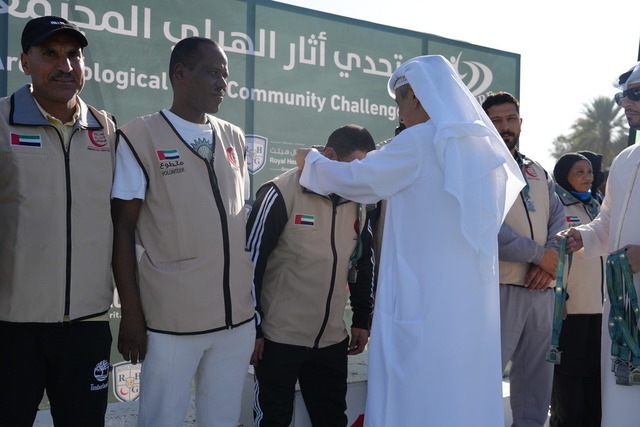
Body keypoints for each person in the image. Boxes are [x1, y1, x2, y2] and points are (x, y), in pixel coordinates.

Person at [296, 55, 524, 426]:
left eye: (400, 103)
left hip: (422, 302)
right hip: (466, 307)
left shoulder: (420, 139)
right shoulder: (477, 146)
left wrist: (311, 162)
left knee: (416, 393)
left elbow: (360, 180)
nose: (399, 114)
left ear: (416, 97)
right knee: (459, 395)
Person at [111, 37, 255, 427]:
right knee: (162, 419)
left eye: (225, 75)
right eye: (213, 73)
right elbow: (122, 231)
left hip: (235, 321)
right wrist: (131, 314)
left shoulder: (234, 137)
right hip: (172, 323)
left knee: (222, 419)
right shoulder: (139, 137)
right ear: (180, 73)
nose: (222, 84)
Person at [0, 16, 116, 426]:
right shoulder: (1, 121)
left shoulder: (106, 129)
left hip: (87, 326)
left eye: (74, 55)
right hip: (13, 327)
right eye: (50, 54)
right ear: (25, 62)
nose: (65, 66)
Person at [246, 124, 376, 426]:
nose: (359, 177)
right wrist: (254, 328)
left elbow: (363, 262)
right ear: (329, 156)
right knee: (273, 420)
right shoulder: (279, 192)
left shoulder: (359, 200)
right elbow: (250, 263)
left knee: (332, 420)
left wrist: (360, 318)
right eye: (354, 167)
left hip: (332, 340)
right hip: (279, 339)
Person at [562, 61, 640, 427]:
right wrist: (584, 236)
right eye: (622, 96)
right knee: (621, 402)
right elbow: (608, 222)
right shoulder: (625, 160)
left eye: (635, 94)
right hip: (623, 306)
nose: (626, 103)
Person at [482, 92, 565, 427]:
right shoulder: (480, 167)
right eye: (497, 120)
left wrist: (550, 262)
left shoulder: (537, 170)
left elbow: (559, 221)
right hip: (499, 288)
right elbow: (486, 225)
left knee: (537, 380)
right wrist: (539, 256)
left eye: (511, 119)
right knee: (485, 376)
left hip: (541, 289)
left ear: (520, 122)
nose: (506, 126)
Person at [549, 153, 604, 427]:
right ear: (564, 176)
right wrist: (557, 298)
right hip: (569, 312)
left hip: (601, 312)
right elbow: (551, 251)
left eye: (589, 171)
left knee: (596, 393)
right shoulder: (556, 205)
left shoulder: (601, 206)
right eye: (579, 172)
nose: (587, 178)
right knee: (568, 394)